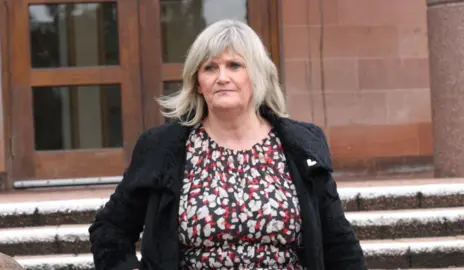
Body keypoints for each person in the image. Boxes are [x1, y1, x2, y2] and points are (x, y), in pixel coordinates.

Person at [88, 19, 367, 270]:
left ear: (256, 75)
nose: (222, 77)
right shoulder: (161, 148)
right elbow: (110, 229)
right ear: (198, 83)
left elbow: (338, 243)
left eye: (234, 65)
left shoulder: (301, 145)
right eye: (210, 68)